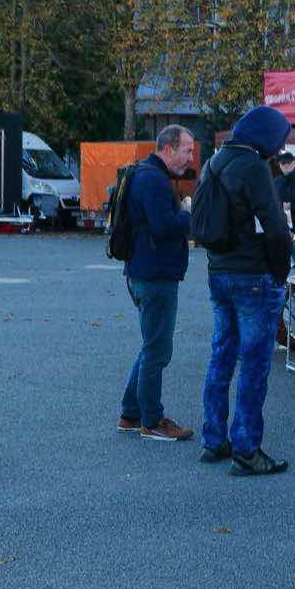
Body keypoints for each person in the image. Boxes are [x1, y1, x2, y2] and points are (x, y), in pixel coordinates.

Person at [202, 105, 293, 476]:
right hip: (252, 276)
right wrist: (280, 272)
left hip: (218, 271)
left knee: (221, 356)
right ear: (265, 137)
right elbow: (276, 227)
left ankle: (213, 439)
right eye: (279, 140)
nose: (280, 148)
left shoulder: (213, 163)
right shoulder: (254, 167)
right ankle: (247, 448)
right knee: (254, 364)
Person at [117, 125, 197, 442]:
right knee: (158, 350)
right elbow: (164, 227)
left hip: (144, 272)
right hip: (155, 276)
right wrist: (187, 212)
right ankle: (152, 420)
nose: (190, 158)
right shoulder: (153, 179)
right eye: (187, 151)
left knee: (151, 345)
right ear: (168, 147)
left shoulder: (146, 174)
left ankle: (130, 414)